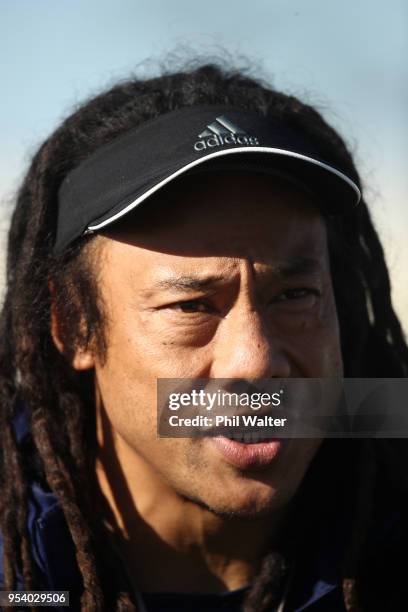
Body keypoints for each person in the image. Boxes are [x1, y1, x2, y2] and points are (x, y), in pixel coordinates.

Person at [0, 63, 407, 612]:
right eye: (191, 306)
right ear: (72, 326)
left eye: (295, 296)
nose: (256, 363)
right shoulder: (19, 567)